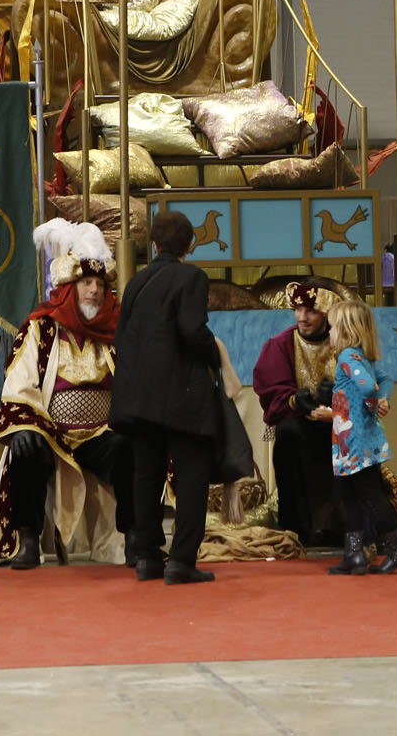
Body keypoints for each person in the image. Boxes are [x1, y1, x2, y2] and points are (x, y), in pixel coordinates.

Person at [0, 219, 133, 569]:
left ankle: (137, 538)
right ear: (70, 286)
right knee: (25, 448)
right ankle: (27, 540)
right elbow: (18, 384)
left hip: (99, 432)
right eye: (86, 283)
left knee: (132, 450)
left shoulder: (116, 331)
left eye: (99, 284)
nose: (94, 291)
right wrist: (25, 426)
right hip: (50, 431)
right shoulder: (41, 329)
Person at [113, 210, 224, 585]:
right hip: (182, 395)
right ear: (190, 245)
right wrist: (215, 356)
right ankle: (181, 561)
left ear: (154, 244)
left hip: (139, 397)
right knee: (192, 474)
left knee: (147, 474)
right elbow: (193, 329)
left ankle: (147, 557)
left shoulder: (136, 281)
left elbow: (122, 336)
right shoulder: (191, 276)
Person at [323, 301, 397, 575]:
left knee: (369, 496)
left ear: (346, 330)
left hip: (354, 441)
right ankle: (354, 554)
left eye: (331, 328)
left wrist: (375, 402)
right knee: (348, 494)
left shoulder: (348, 358)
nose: (329, 333)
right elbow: (385, 380)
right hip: (353, 440)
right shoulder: (364, 357)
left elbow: (366, 385)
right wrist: (382, 399)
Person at [253, 281, 346, 545]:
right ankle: (295, 527)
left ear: (327, 313)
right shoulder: (281, 344)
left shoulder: (343, 342)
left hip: (339, 423)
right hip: (299, 424)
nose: (302, 317)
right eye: (297, 309)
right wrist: (294, 400)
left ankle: (344, 525)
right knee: (288, 433)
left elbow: (366, 387)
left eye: (311, 311)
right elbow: (270, 391)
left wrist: (339, 396)